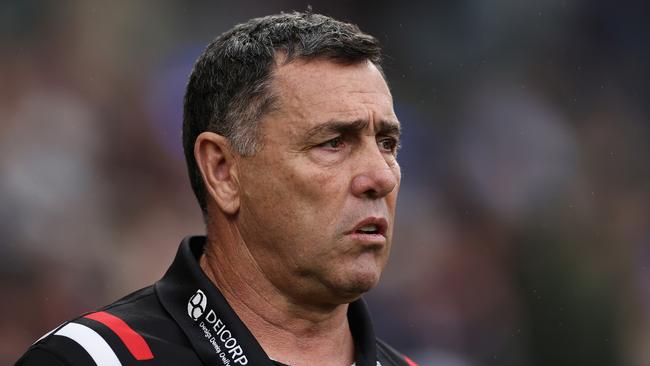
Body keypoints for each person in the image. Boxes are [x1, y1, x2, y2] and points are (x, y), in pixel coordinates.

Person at [16, 12, 416, 366]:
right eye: (333, 142)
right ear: (223, 170)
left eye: (387, 144)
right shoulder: (91, 358)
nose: (381, 177)